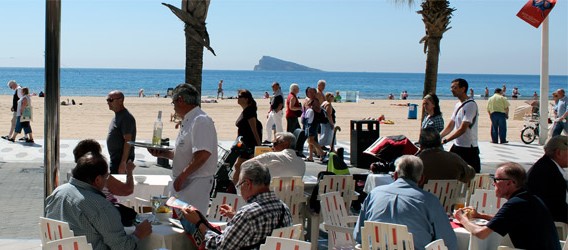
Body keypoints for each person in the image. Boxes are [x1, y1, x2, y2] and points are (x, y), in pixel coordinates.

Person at [45, 152, 152, 250]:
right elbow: (122, 247)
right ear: (97, 180)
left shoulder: (57, 192)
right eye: (106, 177)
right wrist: (138, 234)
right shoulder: (100, 205)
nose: (106, 181)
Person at [181, 160, 292, 249]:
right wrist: (236, 216)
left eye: (240, 184)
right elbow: (261, 229)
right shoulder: (284, 208)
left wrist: (199, 223)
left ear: (248, 184)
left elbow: (219, 247)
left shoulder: (248, 214)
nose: (240, 189)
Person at [353, 155, 458, 250]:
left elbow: (358, 235)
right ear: (421, 179)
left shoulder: (374, 193)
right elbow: (448, 243)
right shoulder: (429, 201)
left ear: (395, 176)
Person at [454, 162, 561, 250]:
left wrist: (462, 219)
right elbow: (505, 219)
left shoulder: (515, 204)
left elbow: (481, 234)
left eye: (496, 180)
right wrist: (480, 215)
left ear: (510, 183)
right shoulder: (529, 199)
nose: (493, 184)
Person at [148, 83, 218, 213]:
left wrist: (182, 176)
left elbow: (203, 154)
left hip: (195, 184)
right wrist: (163, 154)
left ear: (180, 100)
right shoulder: (188, 120)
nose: (173, 106)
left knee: (189, 225)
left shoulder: (200, 120)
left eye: (173, 102)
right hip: (185, 183)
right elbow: (185, 154)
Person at [440, 78, 480, 173]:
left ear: (463, 89)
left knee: (471, 175)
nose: (452, 90)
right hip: (457, 145)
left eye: (455, 87)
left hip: (469, 147)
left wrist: (446, 140)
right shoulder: (458, 104)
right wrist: (439, 136)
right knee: (450, 171)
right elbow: (451, 125)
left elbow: (463, 128)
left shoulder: (471, 105)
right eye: (451, 87)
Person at [526, 135, 568, 223]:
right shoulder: (548, 172)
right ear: (559, 153)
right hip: (542, 223)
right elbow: (557, 209)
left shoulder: (545, 166)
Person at [231, 89, 262, 184]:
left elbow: (254, 130)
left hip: (249, 144)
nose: (238, 98)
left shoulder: (249, 112)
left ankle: (233, 188)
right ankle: (236, 187)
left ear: (246, 99)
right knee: (240, 167)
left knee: (239, 166)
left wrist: (258, 146)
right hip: (243, 144)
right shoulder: (245, 111)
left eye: (240, 96)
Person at [105, 90, 136, 174]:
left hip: (120, 161)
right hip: (116, 159)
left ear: (120, 100)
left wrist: (123, 163)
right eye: (107, 100)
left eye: (110, 100)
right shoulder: (118, 115)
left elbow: (128, 141)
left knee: (119, 185)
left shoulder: (126, 117)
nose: (108, 102)